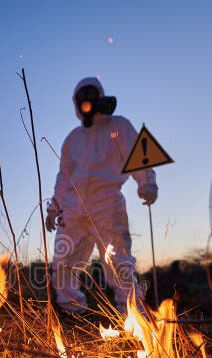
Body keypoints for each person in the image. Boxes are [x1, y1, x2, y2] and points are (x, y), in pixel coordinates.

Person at [46, 77, 158, 316]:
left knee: (119, 264)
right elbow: (64, 178)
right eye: (81, 96)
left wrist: (147, 182)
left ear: (100, 96)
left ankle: (135, 320)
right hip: (72, 210)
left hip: (107, 206)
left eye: (91, 93)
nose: (86, 100)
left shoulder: (117, 126)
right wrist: (54, 208)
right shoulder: (72, 139)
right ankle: (75, 314)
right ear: (76, 104)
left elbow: (138, 155)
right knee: (63, 265)